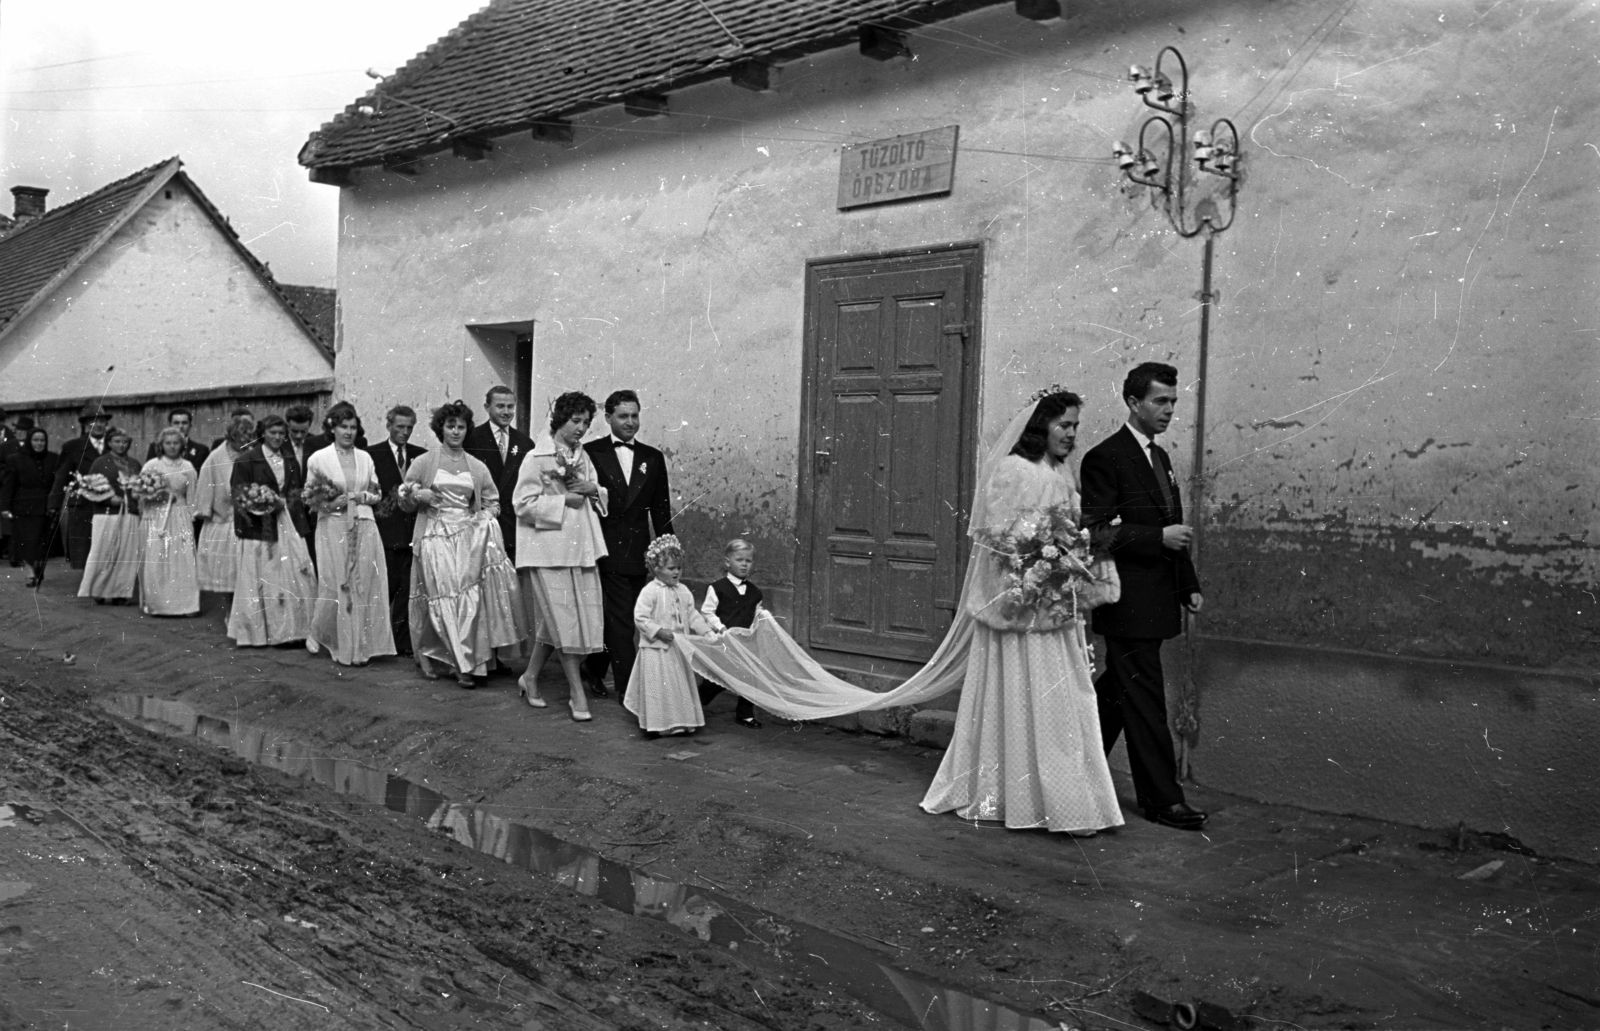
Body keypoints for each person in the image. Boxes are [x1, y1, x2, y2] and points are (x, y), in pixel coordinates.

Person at [919, 390, 1124, 836]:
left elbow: (1068, 529)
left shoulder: (1061, 470)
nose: (1072, 434)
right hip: (1021, 610)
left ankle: (1068, 800)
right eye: (1064, 425)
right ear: (1040, 427)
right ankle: (1022, 797)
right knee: (1025, 698)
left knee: (1066, 703)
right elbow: (1000, 543)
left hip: (1054, 608)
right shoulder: (1013, 471)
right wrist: (1041, 565)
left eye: (1075, 426)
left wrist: (1072, 558)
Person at [1080, 362, 1206, 832]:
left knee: (1116, 695)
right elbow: (1093, 532)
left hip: (1157, 600)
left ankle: (1068, 768)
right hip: (1126, 605)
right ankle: (1161, 799)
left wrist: (1187, 584)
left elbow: (1175, 527)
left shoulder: (1162, 458)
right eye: (1160, 401)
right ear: (1133, 403)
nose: (1169, 410)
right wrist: (1156, 539)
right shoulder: (1105, 457)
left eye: (1173, 401)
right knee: (1146, 700)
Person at [401, 400, 526, 687]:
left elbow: (493, 501)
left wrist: (484, 518)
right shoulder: (424, 462)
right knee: (444, 596)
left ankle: (467, 660)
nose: (456, 431)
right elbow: (404, 500)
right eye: (450, 426)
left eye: (461, 427)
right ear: (440, 429)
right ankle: (456, 663)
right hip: (434, 534)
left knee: (467, 600)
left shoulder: (477, 466)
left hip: (467, 539)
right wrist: (418, 495)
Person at [510, 391, 607, 717]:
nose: (581, 428)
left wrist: (593, 490)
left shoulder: (582, 457)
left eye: (585, 422)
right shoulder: (537, 458)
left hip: (581, 548)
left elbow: (594, 489)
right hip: (548, 550)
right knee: (564, 623)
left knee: (562, 622)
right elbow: (521, 505)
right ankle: (576, 693)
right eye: (575, 421)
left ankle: (530, 677)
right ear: (559, 420)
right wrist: (563, 501)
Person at [581, 390, 674, 700]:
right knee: (622, 619)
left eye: (635, 416)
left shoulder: (652, 457)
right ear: (608, 418)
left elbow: (661, 509)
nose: (630, 422)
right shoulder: (591, 452)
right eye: (623, 416)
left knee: (625, 615)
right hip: (605, 546)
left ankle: (594, 667)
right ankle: (629, 687)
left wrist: (666, 551)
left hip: (640, 549)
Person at [305, 401, 397, 665]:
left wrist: (358, 497)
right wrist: (333, 503)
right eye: (343, 427)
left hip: (364, 523)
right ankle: (318, 632)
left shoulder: (365, 458)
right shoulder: (319, 459)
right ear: (332, 428)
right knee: (335, 582)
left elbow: (377, 492)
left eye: (353, 427)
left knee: (362, 583)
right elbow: (311, 497)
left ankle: (356, 647)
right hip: (333, 524)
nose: (348, 432)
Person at [227, 414, 317, 646]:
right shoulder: (246, 460)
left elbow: (295, 494)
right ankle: (259, 633)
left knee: (292, 574)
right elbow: (239, 495)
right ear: (262, 434)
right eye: (272, 433)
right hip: (259, 527)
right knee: (264, 575)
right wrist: (263, 504)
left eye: (281, 433)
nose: (277, 438)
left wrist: (299, 523)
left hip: (287, 522)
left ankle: (291, 630)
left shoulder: (289, 460)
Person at [623, 535, 715, 736]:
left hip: (678, 648)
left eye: (679, 568)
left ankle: (680, 721)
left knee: (677, 685)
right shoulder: (650, 591)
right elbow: (640, 617)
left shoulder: (683, 591)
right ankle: (658, 724)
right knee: (659, 688)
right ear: (657, 568)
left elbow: (692, 615)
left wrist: (706, 631)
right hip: (656, 649)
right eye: (671, 568)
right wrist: (657, 631)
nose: (676, 572)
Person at [368, 405, 426, 655]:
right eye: (400, 427)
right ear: (389, 425)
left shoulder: (420, 455)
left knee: (406, 590)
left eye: (409, 428)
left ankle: (402, 643)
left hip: (412, 531)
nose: (405, 432)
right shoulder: (372, 454)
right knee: (384, 588)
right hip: (384, 532)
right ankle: (375, 640)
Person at [696, 539, 764, 728]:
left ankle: (745, 714)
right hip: (724, 642)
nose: (744, 564)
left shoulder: (754, 592)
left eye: (748, 561)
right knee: (716, 679)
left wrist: (758, 624)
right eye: (739, 560)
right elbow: (707, 612)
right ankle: (695, 705)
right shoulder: (717, 588)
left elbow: (757, 614)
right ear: (727, 562)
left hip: (746, 643)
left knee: (751, 677)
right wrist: (721, 629)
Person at [464, 386, 534, 564]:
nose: (506, 412)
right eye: (500, 406)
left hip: (514, 528)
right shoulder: (471, 439)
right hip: (482, 526)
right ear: (487, 407)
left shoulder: (525, 443)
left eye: (510, 407)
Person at [193, 411, 255, 603]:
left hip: (251, 521)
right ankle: (230, 613)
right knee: (229, 576)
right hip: (225, 522)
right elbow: (205, 489)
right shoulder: (215, 458)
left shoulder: (252, 454)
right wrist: (205, 511)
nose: (245, 444)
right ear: (231, 437)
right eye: (240, 440)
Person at [138, 427, 201, 616]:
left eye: (176, 443)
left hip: (180, 516)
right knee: (158, 557)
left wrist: (190, 519)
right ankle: (158, 604)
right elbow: (140, 494)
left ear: (182, 445)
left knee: (183, 559)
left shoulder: (188, 467)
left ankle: (187, 605)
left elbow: (192, 498)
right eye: (168, 443)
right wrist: (156, 497)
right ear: (161, 445)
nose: (172, 447)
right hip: (158, 516)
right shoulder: (152, 465)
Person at [78, 427, 144, 604]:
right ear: (109, 443)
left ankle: (120, 592)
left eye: (124, 442)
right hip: (107, 515)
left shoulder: (135, 464)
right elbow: (89, 488)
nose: (121, 445)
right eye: (117, 441)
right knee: (103, 552)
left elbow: (141, 488)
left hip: (130, 514)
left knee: (127, 554)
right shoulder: (100, 462)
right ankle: (98, 589)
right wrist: (108, 499)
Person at [53, 402, 112, 569]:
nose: (98, 425)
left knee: (107, 546)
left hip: (108, 503)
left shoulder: (114, 445)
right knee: (85, 547)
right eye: (93, 422)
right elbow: (61, 478)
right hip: (83, 505)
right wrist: (53, 505)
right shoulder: (72, 447)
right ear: (86, 425)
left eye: (102, 421)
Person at [0, 427, 61, 588]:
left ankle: (38, 569)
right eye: (35, 440)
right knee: (26, 543)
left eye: (42, 440)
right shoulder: (15, 459)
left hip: (46, 507)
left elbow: (57, 482)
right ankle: (30, 574)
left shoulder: (53, 458)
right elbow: (8, 485)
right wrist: (5, 507)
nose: (39, 443)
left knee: (41, 542)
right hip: (23, 507)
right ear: (29, 441)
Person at [284, 405, 321, 565]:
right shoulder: (279, 444)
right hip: (288, 512)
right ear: (288, 426)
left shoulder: (316, 444)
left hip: (310, 513)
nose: (299, 435)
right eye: (294, 431)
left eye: (303, 431)